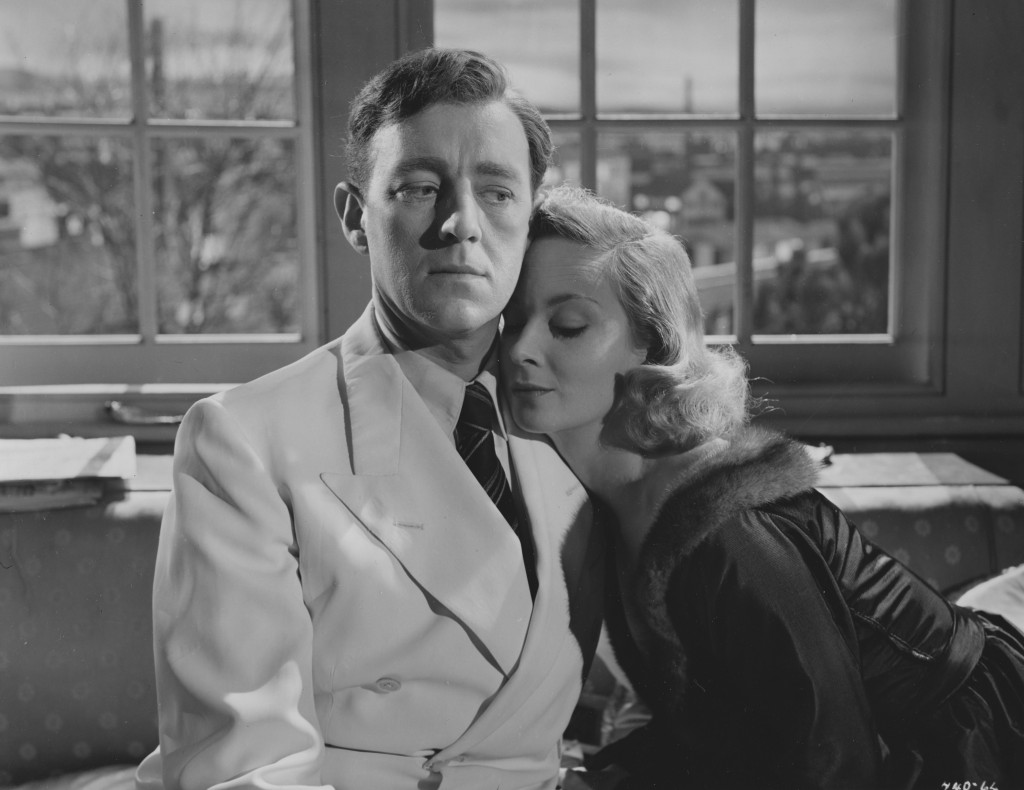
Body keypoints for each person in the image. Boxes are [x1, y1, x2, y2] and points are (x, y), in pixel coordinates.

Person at [135, 51, 606, 790]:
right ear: (356, 218)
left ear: (530, 216)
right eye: (420, 188)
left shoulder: (583, 417)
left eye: (496, 192)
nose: (461, 224)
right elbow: (246, 770)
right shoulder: (244, 440)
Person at [501, 184, 1024, 789]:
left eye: (567, 325)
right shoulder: (610, 505)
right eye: (511, 321)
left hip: (964, 746)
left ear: (653, 346)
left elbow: (833, 765)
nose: (521, 348)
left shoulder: (731, 534)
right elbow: (721, 725)